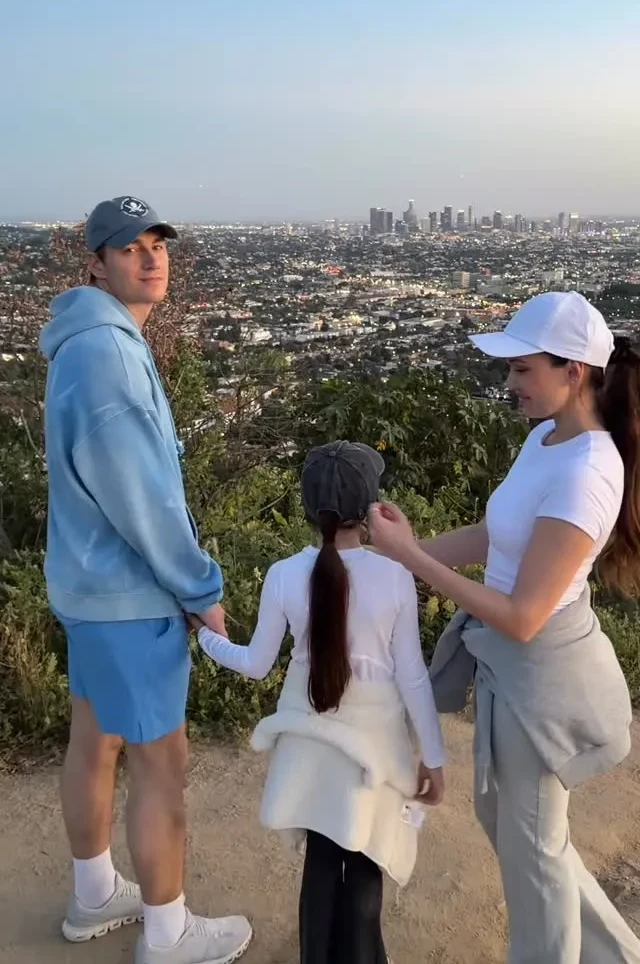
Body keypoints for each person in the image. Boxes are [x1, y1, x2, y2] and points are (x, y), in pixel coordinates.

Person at [368, 290, 640, 964]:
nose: (511, 382)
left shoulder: (587, 472)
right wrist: (403, 553)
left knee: (533, 852)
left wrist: (411, 561)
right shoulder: (547, 439)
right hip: (510, 666)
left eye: (523, 369)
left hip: (541, 674)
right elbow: (497, 534)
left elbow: (523, 616)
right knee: (518, 831)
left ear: (575, 370)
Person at [40, 196, 252, 964]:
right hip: (129, 598)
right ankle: (168, 933)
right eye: (129, 247)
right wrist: (200, 589)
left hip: (87, 586)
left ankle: (95, 894)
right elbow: (145, 499)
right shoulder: (108, 354)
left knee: (94, 740)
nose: (150, 257)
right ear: (96, 264)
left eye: (157, 243)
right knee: (164, 765)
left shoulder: (87, 343)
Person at [191, 441, 446, 964]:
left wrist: (206, 638)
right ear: (370, 508)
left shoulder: (284, 574)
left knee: (323, 857)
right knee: (367, 854)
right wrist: (434, 758)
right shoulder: (395, 575)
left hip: (310, 742)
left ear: (307, 508)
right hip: (374, 747)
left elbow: (256, 663)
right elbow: (413, 677)